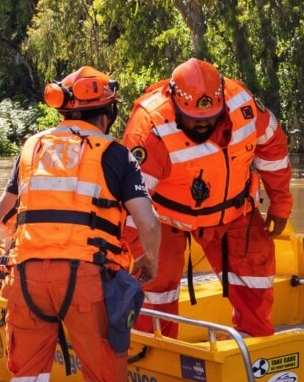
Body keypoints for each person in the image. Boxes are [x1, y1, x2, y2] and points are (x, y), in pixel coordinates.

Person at [0, 66, 162, 382]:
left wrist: (15, 251)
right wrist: (148, 262)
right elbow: (148, 222)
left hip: (27, 280)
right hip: (87, 279)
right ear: (107, 113)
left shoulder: (31, 147)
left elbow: (0, 218)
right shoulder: (115, 154)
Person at [122, 58, 292, 338]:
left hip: (235, 210)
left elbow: (273, 149)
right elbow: (129, 203)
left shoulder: (244, 106)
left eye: (210, 118)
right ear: (174, 103)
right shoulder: (150, 126)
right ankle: (155, 351)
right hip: (163, 219)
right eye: (193, 119)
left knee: (256, 276)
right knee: (153, 288)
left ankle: (256, 347)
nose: (202, 125)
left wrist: (281, 204)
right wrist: (136, 254)